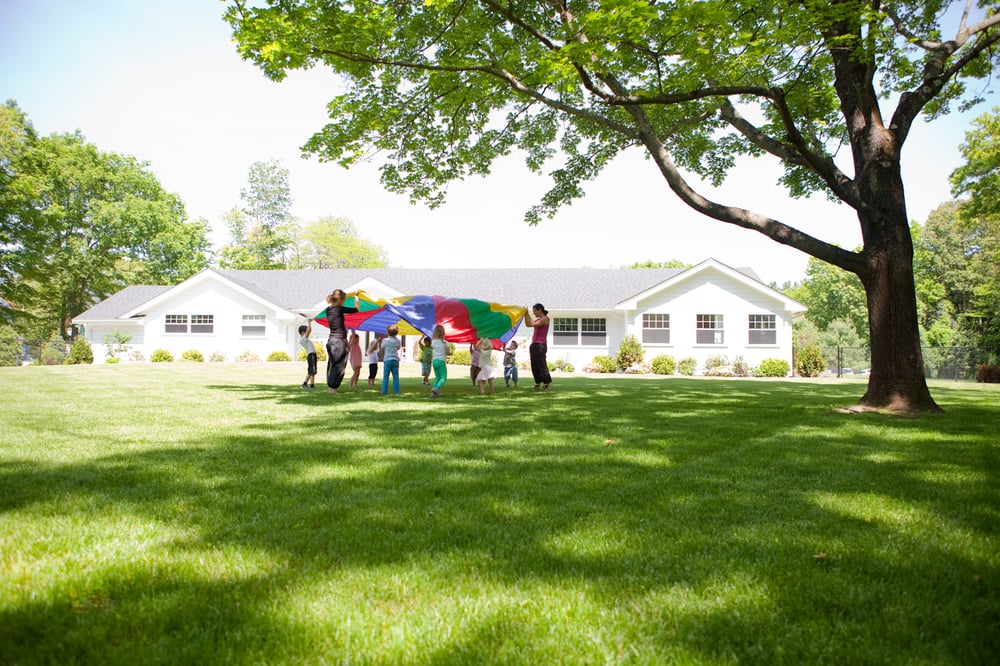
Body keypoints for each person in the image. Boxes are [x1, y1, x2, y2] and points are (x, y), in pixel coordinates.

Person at [323, 289, 359, 394]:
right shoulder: (339, 309)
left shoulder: (328, 310)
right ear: (341, 300)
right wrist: (356, 296)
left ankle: (331, 387)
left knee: (332, 364)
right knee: (339, 365)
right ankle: (333, 388)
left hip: (331, 341)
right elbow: (356, 309)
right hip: (339, 341)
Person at [524, 302, 552, 391]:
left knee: (541, 364)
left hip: (541, 345)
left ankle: (546, 384)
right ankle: (537, 383)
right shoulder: (537, 320)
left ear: (540, 310)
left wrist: (526, 313)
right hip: (534, 344)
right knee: (534, 365)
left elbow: (532, 324)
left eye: (534, 311)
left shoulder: (544, 319)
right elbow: (528, 324)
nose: (534, 313)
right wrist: (525, 315)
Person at [380, 324, 402, 395]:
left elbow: (382, 347)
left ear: (387, 332)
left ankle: (384, 391)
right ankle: (396, 391)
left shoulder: (385, 340)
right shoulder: (398, 341)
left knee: (386, 376)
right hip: (395, 359)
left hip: (387, 359)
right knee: (396, 377)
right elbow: (398, 348)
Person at [430, 324, 448, 399]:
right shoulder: (445, 342)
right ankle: (436, 388)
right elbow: (447, 352)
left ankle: (434, 394)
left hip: (434, 361)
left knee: (437, 377)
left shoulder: (433, 342)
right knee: (443, 377)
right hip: (441, 361)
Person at [298, 319, 317, 389]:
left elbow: (309, 330)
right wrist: (309, 322)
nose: (307, 333)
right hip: (311, 355)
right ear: (302, 332)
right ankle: (312, 385)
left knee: (311, 370)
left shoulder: (304, 339)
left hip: (312, 355)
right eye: (305, 331)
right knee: (312, 371)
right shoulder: (303, 339)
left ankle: (305, 383)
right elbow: (309, 330)